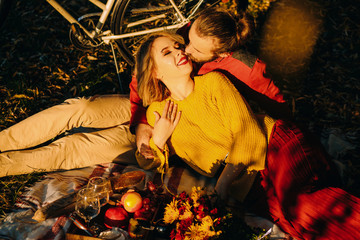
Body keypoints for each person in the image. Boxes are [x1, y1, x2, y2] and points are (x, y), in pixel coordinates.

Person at [134, 31, 360, 240]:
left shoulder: (213, 82)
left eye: (177, 46)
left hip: (276, 145)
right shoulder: (158, 111)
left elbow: (249, 135)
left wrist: (221, 188)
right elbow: (147, 162)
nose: (180, 52)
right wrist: (159, 140)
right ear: (155, 72)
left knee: (303, 208)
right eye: (167, 53)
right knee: (297, 228)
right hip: (251, 184)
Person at [130, 8, 291, 160]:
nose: (186, 50)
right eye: (188, 41)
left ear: (223, 53)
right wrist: (139, 123)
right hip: (163, 110)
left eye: (198, 50)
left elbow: (279, 109)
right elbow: (148, 68)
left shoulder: (246, 70)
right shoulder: (192, 35)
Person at [0, 95, 137, 177]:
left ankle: (3, 165)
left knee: (74, 148)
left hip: (151, 147)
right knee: (82, 107)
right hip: (149, 105)